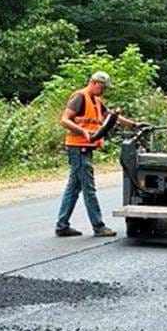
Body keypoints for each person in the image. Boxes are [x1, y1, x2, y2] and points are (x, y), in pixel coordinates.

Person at [55, 70, 139, 238]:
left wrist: (134, 125)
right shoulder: (80, 97)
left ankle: (62, 225)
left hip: (85, 148)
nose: (104, 91)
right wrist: (83, 132)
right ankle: (98, 226)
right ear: (94, 83)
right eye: (103, 87)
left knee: (73, 188)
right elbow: (64, 120)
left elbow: (111, 117)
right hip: (78, 148)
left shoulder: (96, 100)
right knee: (88, 188)